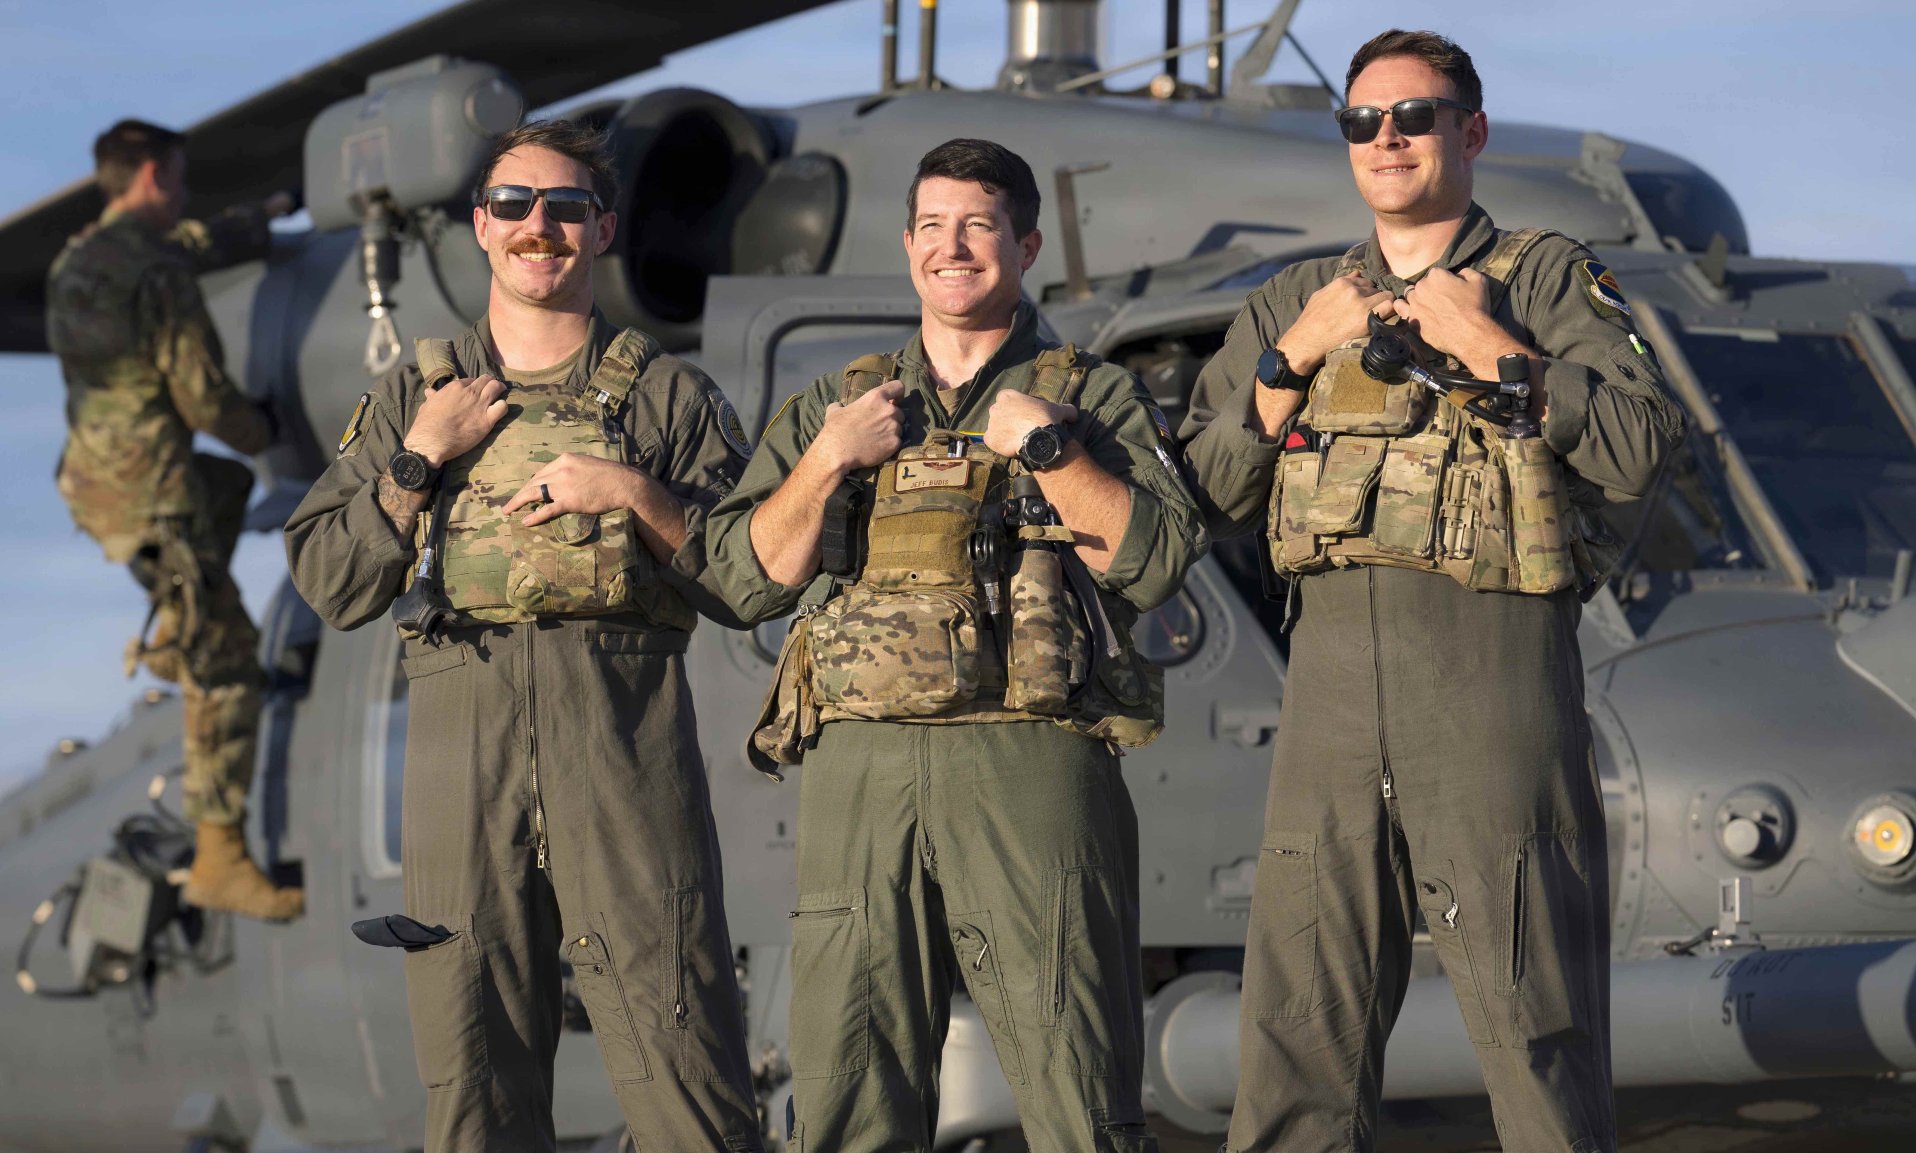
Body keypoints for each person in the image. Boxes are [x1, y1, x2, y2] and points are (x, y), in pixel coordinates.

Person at [1180, 29, 1686, 1153]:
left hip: (1489, 680)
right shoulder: (1292, 301)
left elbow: (1640, 444)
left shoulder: (1544, 275)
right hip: (1326, 705)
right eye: (1362, 122)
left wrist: (1498, 350)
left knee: (1531, 1025)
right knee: (1293, 1040)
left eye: (1413, 116)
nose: (1387, 139)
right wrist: (1289, 359)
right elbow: (1194, 492)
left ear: (1471, 131)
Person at [707, 138, 1202, 1153]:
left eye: (977, 224)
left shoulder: (1085, 395)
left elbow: (1151, 562)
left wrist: (1050, 449)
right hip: (861, 769)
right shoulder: (837, 404)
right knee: (848, 1081)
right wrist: (828, 459)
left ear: (1023, 244)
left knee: (1075, 1073)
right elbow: (741, 575)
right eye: (931, 225)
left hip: (1028, 757)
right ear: (906, 247)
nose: (952, 246)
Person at [283, 120, 762, 1152]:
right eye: (513, 206)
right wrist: (417, 460)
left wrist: (633, 491)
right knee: (472, 1073)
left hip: (620, 729)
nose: (537, 226)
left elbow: (749, 582)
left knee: (683, 1057)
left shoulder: (671, 396)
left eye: (566, 208)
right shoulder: (416, 395)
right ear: (480, 227)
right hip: (464, 733)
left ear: (603, 231)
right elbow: (331, 578)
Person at [47, 118, 301, 920]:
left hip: (96, 484)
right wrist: (268, 427)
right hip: (155, 492)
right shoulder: (160, 279)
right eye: (180, 181)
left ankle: (167, 629)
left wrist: (264, 214)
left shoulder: (81, 257)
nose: (185, 195)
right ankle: (220, 855)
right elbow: (204, 398)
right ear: (154, 174)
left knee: (224, 486)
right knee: (228, 659)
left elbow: (188, 241)